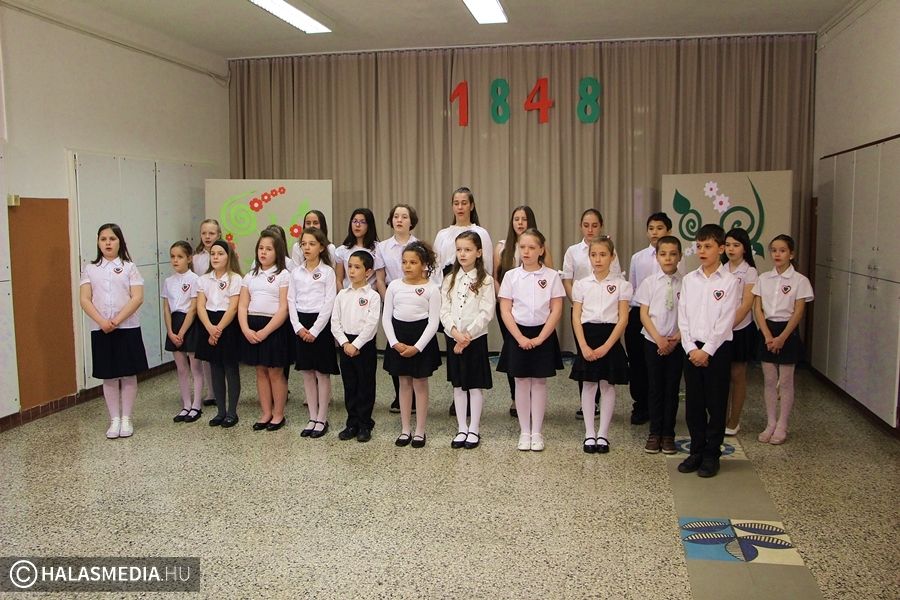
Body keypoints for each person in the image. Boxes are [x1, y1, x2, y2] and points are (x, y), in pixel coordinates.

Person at [677, 224, 740, 478]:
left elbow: (726, 321)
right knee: (694, 403)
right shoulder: (689, 280)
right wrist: (691, 348)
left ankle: (712, 454)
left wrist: (708, 351)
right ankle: (696, 450)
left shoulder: (730, 281)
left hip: (717, 350)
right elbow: (683, 317)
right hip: (692, 349)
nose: (702, 251)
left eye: (708, 246)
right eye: (699, 246)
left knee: (716, 403)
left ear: (721, 249)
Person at [79, 223, 148, 439]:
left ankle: (126, 418)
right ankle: (114, 419)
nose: (108, 243)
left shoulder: (129, 267)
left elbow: (137, 297)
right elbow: (85, 299)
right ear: (98, 242)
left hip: (127, 327)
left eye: (112, 239)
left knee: (128, 373)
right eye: (103, 239)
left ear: (120, 242)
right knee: (108, 375)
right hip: (101, 329)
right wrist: (102, 321)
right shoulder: (90, 269)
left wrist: (117, 320)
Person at [497, 228, 564, 452]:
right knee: (521, 382)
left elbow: (556, 309)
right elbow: (505, 309)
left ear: (541, 250)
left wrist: (542, 337)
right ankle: (524, 431)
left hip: (543, 333)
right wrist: (519, 337)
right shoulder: (511, 276)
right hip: (518, 333)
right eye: (523, 247)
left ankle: (537, 431)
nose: (526, 252)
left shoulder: (551, 276)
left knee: (539, 382)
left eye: (532, 247)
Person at [570, 237, 631, 454]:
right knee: (588, 384)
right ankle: (589, 432)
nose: (598, 259)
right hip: (587, 337)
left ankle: (603, 433)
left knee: (607, 385)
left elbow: (623, 318)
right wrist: (583, 346)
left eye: (603, 255)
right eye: (594, 255)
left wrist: (607, 346)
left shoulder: (622, 285)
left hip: (610, 338)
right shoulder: (581, 285)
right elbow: (576, 317)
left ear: (612, 257)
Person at [752, 234, 814, 445]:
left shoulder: (800, 281)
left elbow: (798, 312)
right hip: (767, 330)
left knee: (785, 381)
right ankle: (771, 422)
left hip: (787, 330)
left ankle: (782, 424)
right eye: (774, 250)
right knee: (769, 380)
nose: (777, 254)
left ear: (791, 254)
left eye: (782, 250)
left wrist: (782, 338)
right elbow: (757, 309)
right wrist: (767, 335)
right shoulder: (763, 278)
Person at [494, 205, 552, 417]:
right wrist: (505, 300)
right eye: (516, 219)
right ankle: (515, 398)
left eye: (524, 219)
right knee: (514, 353)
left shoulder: (540, 247)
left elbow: (549, 277)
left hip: (535, 312)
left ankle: (534, 399)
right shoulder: (502, 247)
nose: (520, 223)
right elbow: (495, 277)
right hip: (509, 309)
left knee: (535, 355)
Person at [561, 208, 621, 418]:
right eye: (586, 225)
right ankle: (587, 403)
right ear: (581, 226)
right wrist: (578, 302)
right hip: (581, 311)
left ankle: (603, 400)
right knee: (584, 355)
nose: (590, 229)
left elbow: (616, 280)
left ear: (601, 226)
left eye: (594, 225)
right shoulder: (573, 251)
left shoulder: (610, 249)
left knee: (604, 357)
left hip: (605, 313)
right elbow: (567, 280)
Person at [382, 241, 442, 448]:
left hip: (421, 339)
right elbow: (386, 318)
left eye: (413, 262)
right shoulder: (394, 286)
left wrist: (417, 347)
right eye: (404, 262)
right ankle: (405, 428)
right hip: (399, 338)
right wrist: (394, 343)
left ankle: (420, 431)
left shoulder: (432, 289)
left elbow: (433, 322)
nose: (407, 266)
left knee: (420, 383)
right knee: (404, 383)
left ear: (424, 264)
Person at [442, 231, 495, 449]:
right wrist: (455, 332)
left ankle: (474, 428)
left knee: (474, 385)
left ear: (479, 252)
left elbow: (486, 312)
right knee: (458, 385)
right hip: (454, 338)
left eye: (468, 250)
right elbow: (444, 310)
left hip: (475, 340)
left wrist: (468, 335)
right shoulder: (450, 279)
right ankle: (461, 427)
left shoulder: (486, 280)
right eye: (459, 250)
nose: (462, 254)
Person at [238, 230, 292, 431]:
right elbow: (242, 305)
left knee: (275, 372)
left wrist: (266, 331)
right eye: (261, 248)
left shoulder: (283, 275)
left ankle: (278, 414)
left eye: (268, 249)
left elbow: (284, 308)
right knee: (260, 371)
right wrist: (246, 329)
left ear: (277, 252)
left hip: (274, 327)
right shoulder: (250, 276)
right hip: (252, 327)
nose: (263, 252)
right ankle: (266, 412)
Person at [289, 228, 339, 439]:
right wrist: (298, 327)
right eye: (304, 244)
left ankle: (322, 417)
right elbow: (291, 300)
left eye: (311, 244)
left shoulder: (327, 272)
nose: (307, 248)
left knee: (321, 372)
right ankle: (312, 416)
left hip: (321, 325)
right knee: (307, 372)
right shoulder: (296, 272)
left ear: (321, 247)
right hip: (301, 324)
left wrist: (316, 330)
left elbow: (329, 301)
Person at [635, 235, 684, 454]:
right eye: (663, 254)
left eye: (673, 254)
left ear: (680, 256)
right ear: (656, 257)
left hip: (677, 342)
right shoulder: (649, 283)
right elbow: (644, 314)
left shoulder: (687, 283)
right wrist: (659, 339)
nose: (668, 258)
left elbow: (689, 314)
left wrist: (677, 337)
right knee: (655, 387)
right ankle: (654, 433)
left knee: (672, 388)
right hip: (652, 341)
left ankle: (668, 434)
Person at [626, 212, 675, 425]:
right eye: (651, 228)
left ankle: (662, 408)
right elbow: (632, 288)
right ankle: (640, 405)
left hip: (666, 315)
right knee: (638, 362)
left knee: (662, 365)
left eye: (660, 228)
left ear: (669, 231)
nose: (655, 232)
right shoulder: (638, 258)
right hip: (640, 313)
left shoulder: (676, 257)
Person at [332, 251, 382, 443]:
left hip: (364, 345)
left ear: (368, 272)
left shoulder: (372, 296)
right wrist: (345, 343)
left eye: (357, 267)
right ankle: (351, 423)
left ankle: (364, 423)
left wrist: (357, 344)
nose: (351, 271)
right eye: (350, 266)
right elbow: (335, 322)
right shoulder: (342, 295)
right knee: (350, 384)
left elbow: (371, 324)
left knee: (365, 385)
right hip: (346, 344)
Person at [377, 204, 421, 414]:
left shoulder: (419, 246)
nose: (399, 220)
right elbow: (380, 278)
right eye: (396, 216)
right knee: (395, 347)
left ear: (411, 222)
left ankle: (415, 398)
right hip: (391, 301)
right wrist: (389, 301)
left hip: (415, 301)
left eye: (404, 217)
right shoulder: (382, 247)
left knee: (414, 346)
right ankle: (400, 395)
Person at [195, 240, 243, 428]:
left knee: (230, 368)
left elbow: (233, 307)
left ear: (228, 256)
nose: (215, 257)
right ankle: (220, 411)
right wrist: (209, 327)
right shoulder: (203, 279)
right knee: (215, 368)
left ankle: (232, 412)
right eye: (213, 254)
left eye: (220, 254)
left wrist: (219, 329)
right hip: (208, 323)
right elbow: (200, 306)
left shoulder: (235, 278)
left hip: (227, 325)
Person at [722, 228, 759, 435]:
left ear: (744, 248)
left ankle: (734, 420)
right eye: (728, 245)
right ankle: (720, 417)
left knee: (737, 375)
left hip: (740, 329)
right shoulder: (721, 269)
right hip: (720, 330)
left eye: (736, 245)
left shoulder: (749, 271)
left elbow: (746, 305)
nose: (731, 249)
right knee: (721, 376)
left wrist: (727, 326)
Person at [162, 241, 204, 423]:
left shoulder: (195, 279)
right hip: (174, 323)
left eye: (179, 256)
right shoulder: (168, 281)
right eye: (172, 257)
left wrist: (182, 331)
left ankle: (196, 405)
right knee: (181, 368)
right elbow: (166, 308)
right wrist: (171, 331)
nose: (175, 260)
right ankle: (186, 404)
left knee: (195, 367)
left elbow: (193, 308)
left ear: (189, 258)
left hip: (190, 324)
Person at [193, 218, 222, 408]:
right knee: (205, 355)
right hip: (203, 309)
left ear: (218, 235)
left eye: (211, 233)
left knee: (221, 356)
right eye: (204, 233)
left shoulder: (226, 254)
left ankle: (222, 390)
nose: (207, 236)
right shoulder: (196, 258)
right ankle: (211, 391)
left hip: (220, 309)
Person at [334, 208, 385, 293]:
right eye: (354, 221)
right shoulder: (342, 250)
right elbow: (339, 280)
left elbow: (380, 279)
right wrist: (343, 296)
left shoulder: (379, 248)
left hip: (369, 295)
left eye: (362, 222)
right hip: (348, 294)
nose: (357, 225)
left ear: (369, 225)